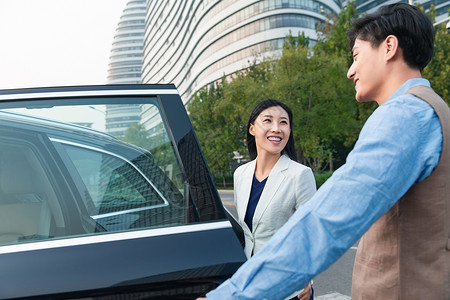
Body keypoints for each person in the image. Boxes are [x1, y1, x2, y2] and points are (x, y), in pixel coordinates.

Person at [202, 3, 449, 299]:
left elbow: (326, 223)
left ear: (389, 47)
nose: (350, 71)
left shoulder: (405, 115)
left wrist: (230, 295)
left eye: (356, 56)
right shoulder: (435, 110)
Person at [234, 99, 316, 300]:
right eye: (268, 121)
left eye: (283, 122)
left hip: (289, 288)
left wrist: (308, 278)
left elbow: (312, 233)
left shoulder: (300, 175)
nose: (276, 128)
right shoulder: (240, 174)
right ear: (252, 129)